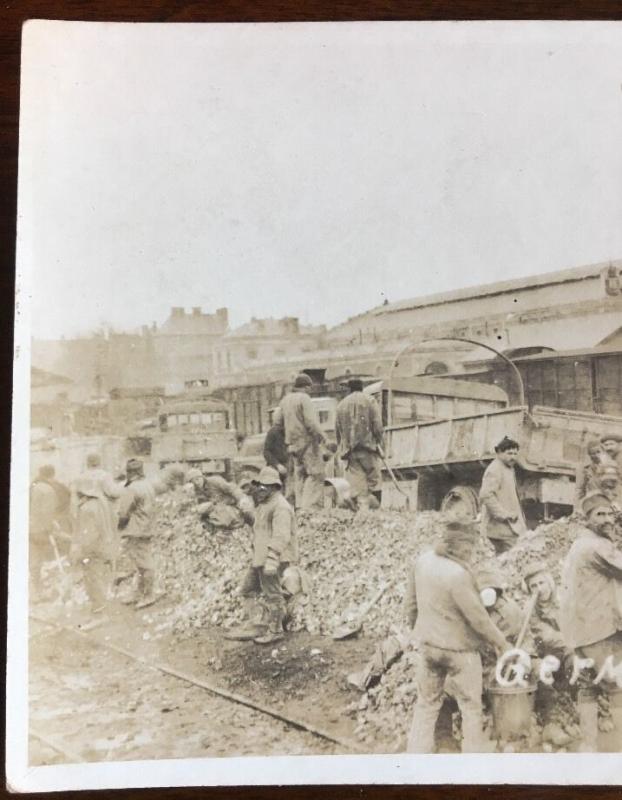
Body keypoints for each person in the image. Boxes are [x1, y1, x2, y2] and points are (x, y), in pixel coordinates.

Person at [404, 518, 511, 753]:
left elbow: (410, 605)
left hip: (428, 647)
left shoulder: (422, 561)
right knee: (470, 707)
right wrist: (501, 643)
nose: (472, 553)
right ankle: (471, 766)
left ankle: (415, 759)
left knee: (426, 705)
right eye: (470, 547)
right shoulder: (458, 574)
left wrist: (420, 632)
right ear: (463, 545)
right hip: (460, 652)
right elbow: (478, 618)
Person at [560, 491, 622, 751]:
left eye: (609, 513)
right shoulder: (597, 546)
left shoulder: (579, 544)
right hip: (599, 629)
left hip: (578, 631)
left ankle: (589, 747)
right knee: (617, 684)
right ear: (587, 518)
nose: (607, 519)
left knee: (588, 687)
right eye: (600, 514)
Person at [241, 466, 299, 645]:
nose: (260, 489)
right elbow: (260, 528)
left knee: (272, 594)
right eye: (260, 486)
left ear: (275, 487)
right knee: (247, 589)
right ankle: (258, 623)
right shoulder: (264, 504)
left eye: (265, 486)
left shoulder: (281, 506)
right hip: (261, 557)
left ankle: (276, 630)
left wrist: (272, 559)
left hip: (273, 558)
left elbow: (281, 535)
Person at [70, 470, 120, 623]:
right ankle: (99, 610)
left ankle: (99, 614)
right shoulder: (101, 502)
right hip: (105, 546)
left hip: (93, 550)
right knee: (98, 579)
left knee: (93, 580)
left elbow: (89, 535)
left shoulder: (86, 508)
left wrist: (79, 553)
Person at [279, 373, 326, 509]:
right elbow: (311, 422)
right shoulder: (304, 399)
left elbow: (278, 422)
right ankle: (309, 508)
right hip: (307, 444)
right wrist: (323, 437)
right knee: (316, 475)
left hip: (292, 446)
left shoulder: (285, 400)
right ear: (306, 387)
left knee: (299, 475)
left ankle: (299, 507)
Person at [335, 378, 385, 510]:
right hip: (368, 449)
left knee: (358, 486)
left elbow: (338, 431)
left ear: (349, 389)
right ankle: (375, 510)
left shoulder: (341, 405)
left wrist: (341, 447)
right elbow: (378, 426)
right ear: (361, 388)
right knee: (374, 482)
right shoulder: (370, 400)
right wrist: (380, 443)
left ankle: (362, 511)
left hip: (350, 453)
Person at [117, 458, 158, 609]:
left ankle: (148, 595)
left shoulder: (131, 488)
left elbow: (123, 513)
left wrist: (118, 527)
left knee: (143, 563)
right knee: (141, 562)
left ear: (130, 473)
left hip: (136, 529)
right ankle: (139, 593)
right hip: (147, 527)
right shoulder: (148, 485)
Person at [479, 436, 526, 556]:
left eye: (515, 454)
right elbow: (486, 495)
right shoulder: (495, 469)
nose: (513, 457)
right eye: (509, 453)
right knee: (512, 558)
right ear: (499, 452)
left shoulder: (508, 468)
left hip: (507, 528)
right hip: (501, 529)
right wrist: (503, 514)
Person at [29, 466, 62, 601]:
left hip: (30, 527)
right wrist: (50, 527)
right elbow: (46, 512)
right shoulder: (48, 490)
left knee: (34, 561)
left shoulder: (34, 487)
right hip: (41, 530)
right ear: (52, 476)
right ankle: (40, 593)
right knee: (40, 560)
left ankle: (35, 592)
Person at [186, 468, 254, 530]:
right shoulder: (196, 490)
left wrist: (241, 498)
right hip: (216, 511)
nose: (196, 483)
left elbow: (232, 488)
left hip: (229, 507)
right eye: (193, 482)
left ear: (202, 477)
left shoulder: (215, 481)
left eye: (197, 479)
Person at [575, 439, 609, 509]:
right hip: (592, 504)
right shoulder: (586, 470)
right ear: (589, 455)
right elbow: (580, 491)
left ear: (604, 452)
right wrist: (578, 507)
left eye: (598, 452)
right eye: (593, 453)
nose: (596, 455)